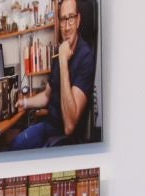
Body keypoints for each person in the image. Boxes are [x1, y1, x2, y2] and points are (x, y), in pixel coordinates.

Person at [12, 0, 96, 149]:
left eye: (71, 18)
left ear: (78, 20)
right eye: (63, 19)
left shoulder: (86, 57)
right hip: (48, 127)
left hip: (63, 139)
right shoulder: (59, 52)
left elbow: (69, 126)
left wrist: (63, 62)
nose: (66, 26)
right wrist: (24, 103)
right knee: (15, 144)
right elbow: (47, 96)